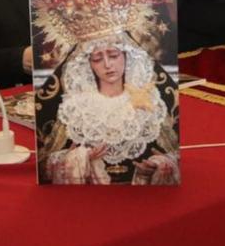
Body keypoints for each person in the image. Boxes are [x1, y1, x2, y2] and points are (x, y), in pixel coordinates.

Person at [42, 33, 179, 185]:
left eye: (113, 55)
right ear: (89, 64)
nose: (107, 64)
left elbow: (177, 153)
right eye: (97, 59)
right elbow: (45, 163)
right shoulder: (76, 108)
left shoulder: (149, 100)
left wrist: (161, 164)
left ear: (127, 56)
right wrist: (79, 158)